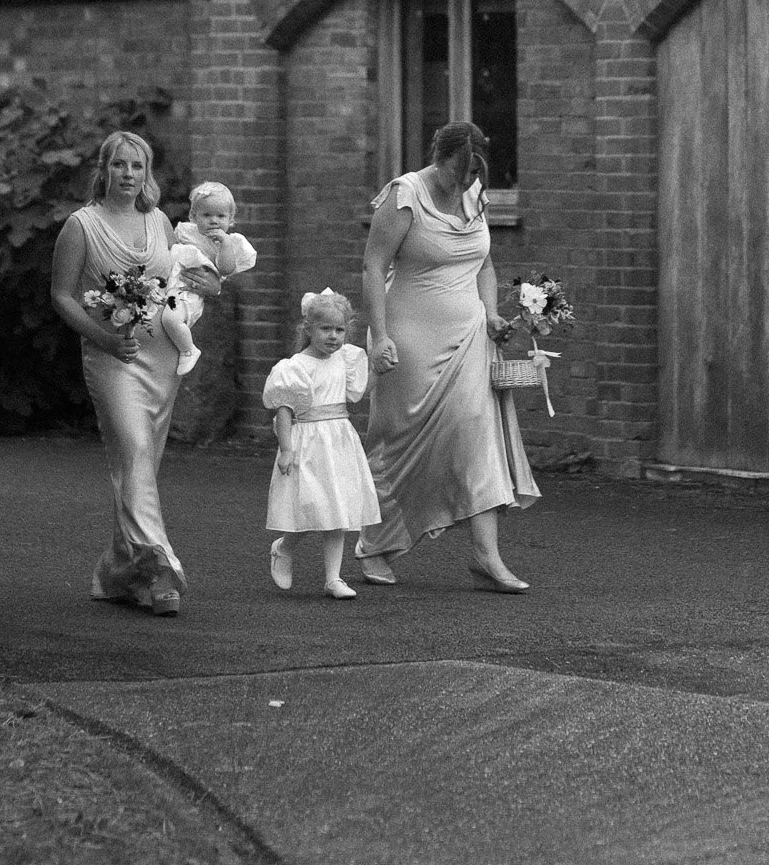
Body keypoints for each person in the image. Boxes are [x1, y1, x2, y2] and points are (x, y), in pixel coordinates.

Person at [356, 118, 539, 592]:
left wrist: (492, 314)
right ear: (438, 157)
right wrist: (378, 337)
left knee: (477, 436)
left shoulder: (474, 190)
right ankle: (376, 544)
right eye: (456, 176)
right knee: (397, 440)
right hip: (409, 335)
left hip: (469, 335)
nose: (464, 185)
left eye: (472, 177)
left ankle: (486, 558)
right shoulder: (404, 195)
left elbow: (485, 264)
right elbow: (374, 267)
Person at [49, 131, 188, 616]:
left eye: (138, 166)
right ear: (103, 170)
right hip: (112, 357)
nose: (128, 175)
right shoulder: (81, 226)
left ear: (147, 173)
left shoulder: (161, 223)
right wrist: (104, 338)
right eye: (120, 165)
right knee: (131, 449)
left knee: (141, 466)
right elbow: (62, 296)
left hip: (161, 358)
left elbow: (177, 288)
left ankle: (120, 573)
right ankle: (160, 566)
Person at [262, 291, 379, 598]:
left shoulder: (348, 359)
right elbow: (284, 410)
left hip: (338, 439)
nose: (333, 336)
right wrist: (286, 450)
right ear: (308, 329)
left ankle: (333, 578)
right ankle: (284, 546)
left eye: (339, 330)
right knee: (313, 505)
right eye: (326, 329)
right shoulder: (296, 366)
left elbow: (352, 393)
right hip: (308, 441)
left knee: (337, 508)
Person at [159, 179, 258, 375]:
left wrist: (225, 244)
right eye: (206, 215)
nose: (214, 220)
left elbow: (226, 269)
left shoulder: (231, 242)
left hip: (190, 292)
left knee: (171, 320)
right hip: (172, 283)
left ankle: (188, 350)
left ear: (231, 219)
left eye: (221, 216)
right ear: (194, 216)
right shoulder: (186, 232)